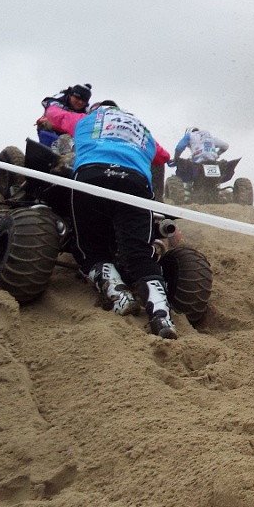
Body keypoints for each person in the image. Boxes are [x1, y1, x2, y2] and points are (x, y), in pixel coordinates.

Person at [70, 101, 178, 339]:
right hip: (135, 181)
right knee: (140, 255)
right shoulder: (141, 128)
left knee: (90, 249)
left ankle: (120, 297)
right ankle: (162, 316)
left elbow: (55, 116)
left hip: (91, 175)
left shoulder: (86, 120)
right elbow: (163, 156)